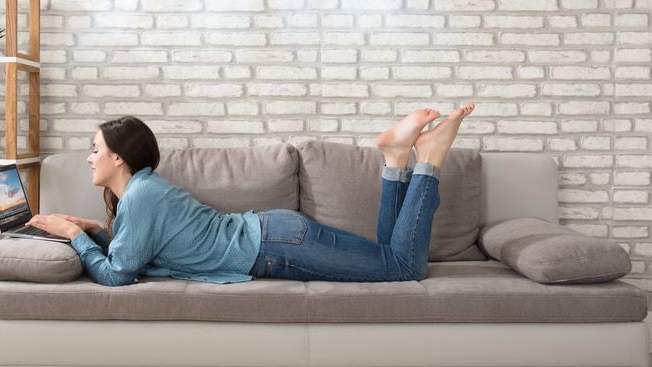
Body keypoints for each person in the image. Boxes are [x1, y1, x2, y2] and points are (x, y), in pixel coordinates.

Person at [27, 105, 475, 286]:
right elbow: (135, 251)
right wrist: (92, 232)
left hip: (274, 247)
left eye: (95, 150)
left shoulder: (142, 196)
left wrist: (74, 235)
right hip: (275, 236)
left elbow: (118, 275)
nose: (89, 158)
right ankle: (396, 161)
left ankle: (428, 159)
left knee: (403, 268)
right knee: (386, 256)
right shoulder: (141, 194)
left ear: (119, 158)